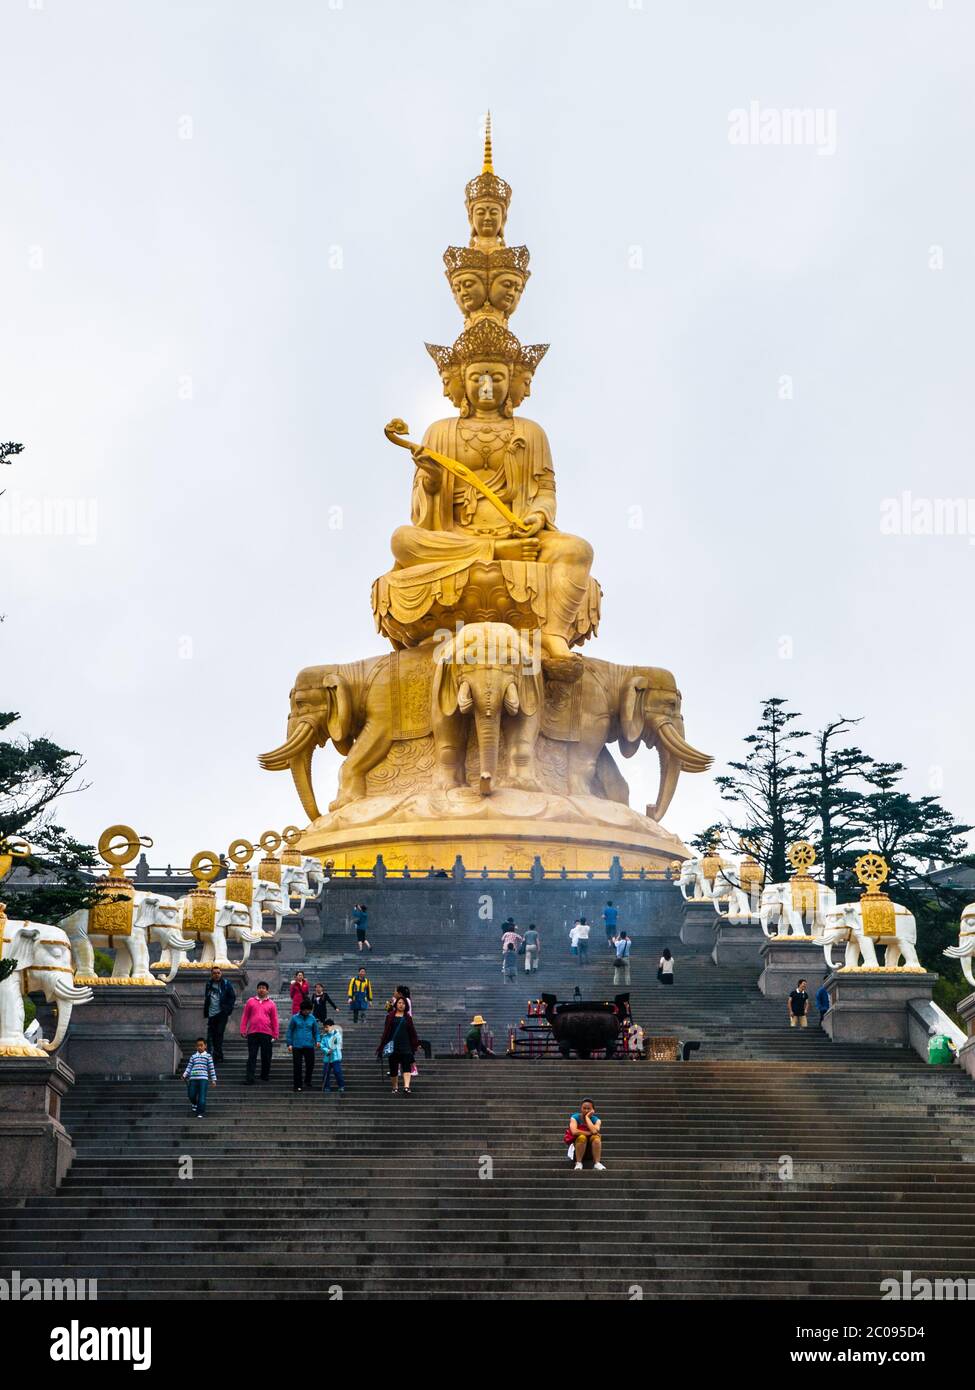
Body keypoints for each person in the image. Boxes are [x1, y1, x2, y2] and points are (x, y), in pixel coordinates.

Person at [377, 996, 420, 1095]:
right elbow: (386, 1032)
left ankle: (406, 1087)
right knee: (393, 1068)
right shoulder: (390, 1016)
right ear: (396, 1004)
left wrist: (416, 1044)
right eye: (400, 1003)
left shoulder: (408, 1018)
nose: (401, 1005)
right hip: (393, 1046)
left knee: (406, 1066)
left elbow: (412, 1032)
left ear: (406, 1005)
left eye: (403, 1003)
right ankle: (395, 1087)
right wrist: (383, 1044)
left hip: (406, 1045)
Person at [240, 980, 280, 1084]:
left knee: (266, 1056)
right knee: (252, 1056)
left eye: (263, 988)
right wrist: (243, 1029)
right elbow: (245, 1016)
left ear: (267, 990)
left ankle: (264, 1075)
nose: (261, 989)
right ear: (257, 989)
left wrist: (275, 1033)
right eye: (260, 987)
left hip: (266, 1033)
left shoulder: (271, 1004)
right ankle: (250, 1078)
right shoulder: (250, 1001)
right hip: (252, 1033)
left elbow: (274, 1019)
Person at [202, 965, 235, 1063]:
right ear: (211, 975)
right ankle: (211, 1056)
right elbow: (207, 998)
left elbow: (232, 997)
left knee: (219, 1034)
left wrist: (227, 1010)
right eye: (214, 973)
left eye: (218, 973)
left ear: (221, 974)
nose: (216, 975)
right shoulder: (208, 984)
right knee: (210, 1035)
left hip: (222, 1014)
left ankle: (218, 1055)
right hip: (211, 1014)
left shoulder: (226, 983)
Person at [286, 997, 319, 1092]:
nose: (308, 1012)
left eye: (309, 1010)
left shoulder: (312, 1018)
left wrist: (318, 1040)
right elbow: (290, 1031)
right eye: (306, 1010)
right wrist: (289, 1043)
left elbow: (316, 1032)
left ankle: (307, 1081)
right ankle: (297, 1085)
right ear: (301, 1009)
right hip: (297, 1046)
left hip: (309, 1045)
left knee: (310, 1064)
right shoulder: (295, 1018)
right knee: (297, 1066)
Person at [183, 1037, 217, 1117]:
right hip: (193, 1079)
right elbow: (189, 1066)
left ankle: (200, 1112)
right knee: (191, 1095)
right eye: (198, 1045)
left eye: (201, 1045)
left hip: (203, 1079)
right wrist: (185, 1074)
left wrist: (213, 1080)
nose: (199, 1047)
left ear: (205, 1046)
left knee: (202, 1096)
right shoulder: (193, 1056)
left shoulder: (208, 1056)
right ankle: (194, 1103)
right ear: (196, 1046)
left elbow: (211, 1068)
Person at [568, 1098, 605, 1171]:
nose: (586, 1110)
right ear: (581, 1109)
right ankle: (578, 1163)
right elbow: (574, 1132)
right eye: (584, 1108)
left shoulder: (597, 1120)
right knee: (582, 1137)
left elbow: (595, 1131)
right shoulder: (574, 1117)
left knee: (596, 1138)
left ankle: (597, 1163)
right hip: (578, 1147)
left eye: (589, 1108)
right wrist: (589, 1133)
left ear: (593, 1110)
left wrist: (587, 1118)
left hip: (591, 1149)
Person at [320, 1018, 345, 1093]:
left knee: (337, 1072)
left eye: (327, 1027)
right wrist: (327, 1050)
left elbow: (337, 1043)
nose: (325, 1029)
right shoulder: (324, 1037)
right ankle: (327, 1087)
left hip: (335, 1057)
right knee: (326, 1072)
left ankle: (341, 1086)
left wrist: (332, 1048)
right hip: (327, 1058)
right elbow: (322, 1045)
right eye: (324, 1027)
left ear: (332, 1027)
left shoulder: (337, 1035)